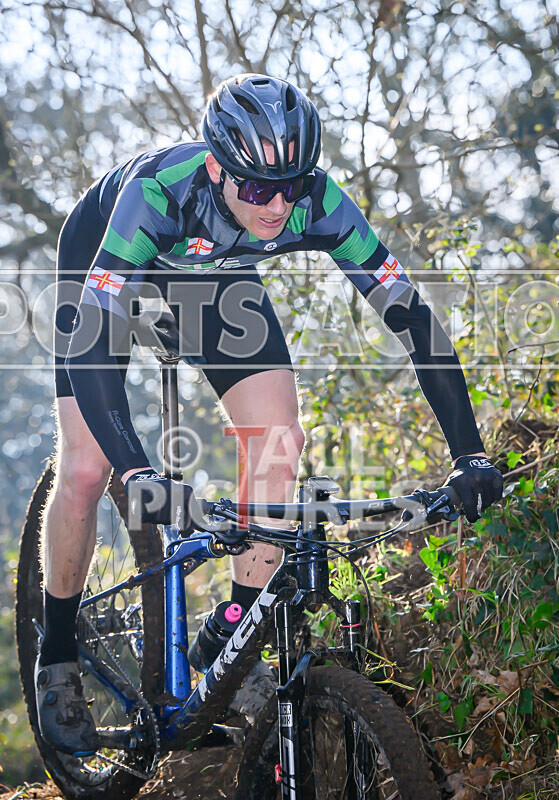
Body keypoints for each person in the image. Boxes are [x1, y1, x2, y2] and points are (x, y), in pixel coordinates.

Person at [35, 74, 503, 756]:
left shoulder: (318, 202)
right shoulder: (158, 195)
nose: (278, 206)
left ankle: (232, 628)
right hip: (105, 260)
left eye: (291, 186)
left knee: (279, 439)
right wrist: (136, 472)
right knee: (86, 468)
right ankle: (56, 652)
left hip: (215, 276)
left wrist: (470, 452)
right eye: (257, 189)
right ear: (217, 168)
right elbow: (90, 344)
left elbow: (413, 320)